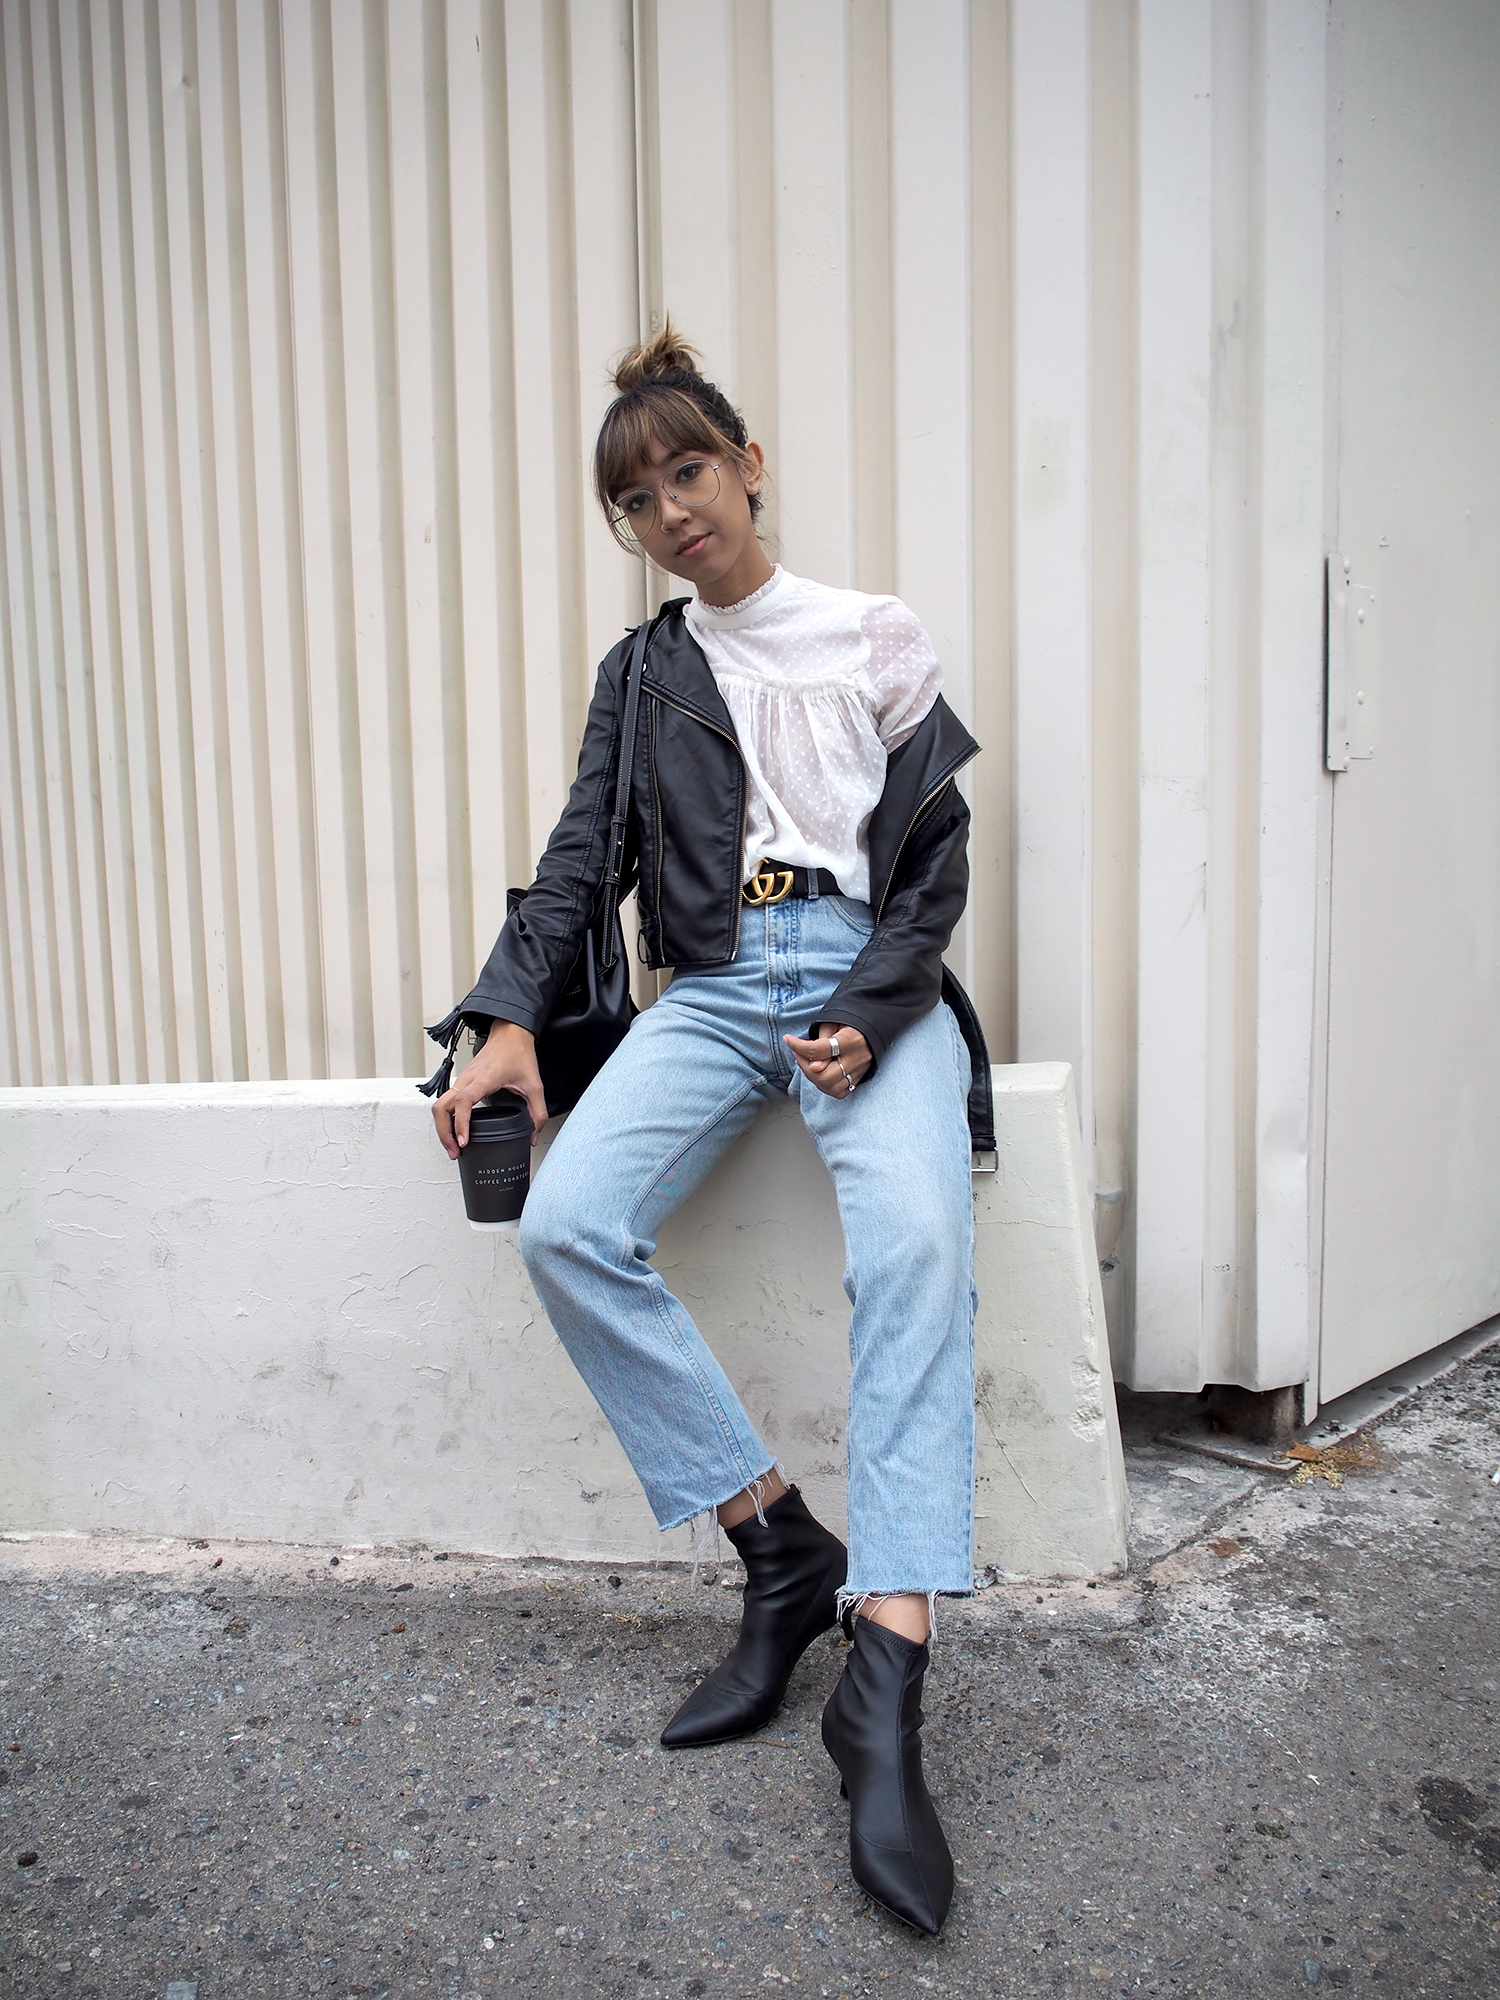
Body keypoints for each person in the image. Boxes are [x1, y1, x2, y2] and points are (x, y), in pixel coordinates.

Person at [428, 325, 987, 1937]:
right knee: (563, 1226)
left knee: (918, 1243)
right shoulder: (647, 671)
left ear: (750, 466)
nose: (671, 509)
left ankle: (884, 1676)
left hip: (863, 987)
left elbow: (935, 869)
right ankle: (775, 1544)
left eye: (689, 469)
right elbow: (576, 860)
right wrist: (509, 1020)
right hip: (714, 988)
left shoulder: (876, 637)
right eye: (635, 497)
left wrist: (877, 1016)